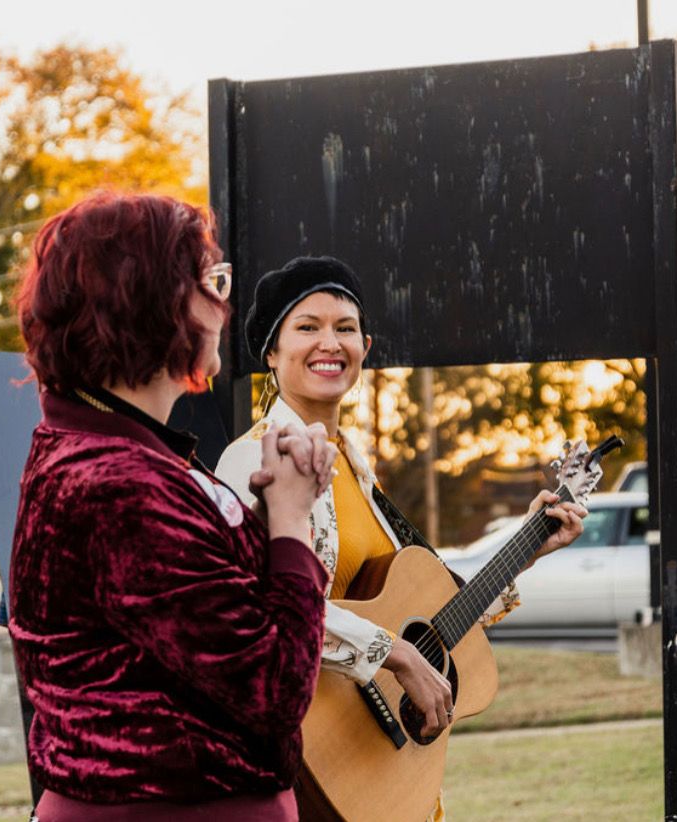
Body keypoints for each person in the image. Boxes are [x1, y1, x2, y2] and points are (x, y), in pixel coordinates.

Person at [214, 255, 587, 820]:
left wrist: (525, 552)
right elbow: (259, 605)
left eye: (345, 329)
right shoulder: (254, 459)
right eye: (308, 327)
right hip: (306, 749)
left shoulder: (355, 467)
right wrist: (396, 654)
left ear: (365, 347)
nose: (330, 343)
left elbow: (429, 618)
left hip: (376, 769)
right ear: (271, 351)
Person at [8, 193, 337, 822]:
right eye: (210, 284)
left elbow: (187, 629)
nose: (223, 305)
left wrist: (269, 508)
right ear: (152, 306)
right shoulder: (118, 485)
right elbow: (275, 687)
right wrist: (292, 519)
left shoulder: (113, 453)